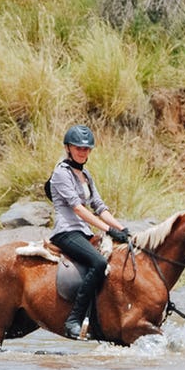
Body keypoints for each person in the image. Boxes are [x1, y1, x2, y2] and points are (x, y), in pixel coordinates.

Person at [48, 124, 131, 339]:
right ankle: (73, 320)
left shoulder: (85, 174)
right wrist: (108, 230)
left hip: (83, 232)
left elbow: (100, 207)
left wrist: (122, 229)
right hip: (66, 232)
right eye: (78, 148)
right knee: (99, 263)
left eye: (86, 149)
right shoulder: (61, 173)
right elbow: (78, 208)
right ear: (68, 148)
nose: (83, 152)